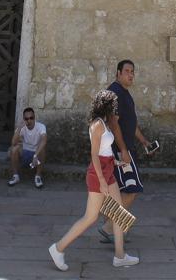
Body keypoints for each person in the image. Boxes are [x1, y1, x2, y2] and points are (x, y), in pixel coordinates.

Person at [48, 90, 139, 271]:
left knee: (119, 214)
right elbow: (94, 156)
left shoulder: (104, 124)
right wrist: (102, 181)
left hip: (109, 171)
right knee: (90, 218)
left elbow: (105, 152)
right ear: (107, 106)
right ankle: (58, 248)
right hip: (98, 175)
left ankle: (120, 256)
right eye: (113, 106)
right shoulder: (97, 125)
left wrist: (117, 162)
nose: (115, 109)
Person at [98, 59, 152, 244]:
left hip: (121, 148)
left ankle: (114, 229)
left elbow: (129, 123)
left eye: (133, 71)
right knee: (132, 189)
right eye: (127, 71)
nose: (131, 74)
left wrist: (143, 140)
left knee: (118, 191)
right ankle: (109, 228)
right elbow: (113, 123)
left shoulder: (124, 93)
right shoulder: (115, 93)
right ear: (118, 73)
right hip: (119, 150)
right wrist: (123, 150)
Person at [8, 106, 47, 188]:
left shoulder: (41, 127)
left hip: (36, 157)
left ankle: (38, 176)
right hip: (25, 154)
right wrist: (19, 128)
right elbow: (13, 143)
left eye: (31, 118)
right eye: (26, 119)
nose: (29, 120)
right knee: (14, 149)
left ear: (34, 117)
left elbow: (44, 140)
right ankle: (15, 176)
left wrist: (36, 155)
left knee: (42, 149)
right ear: (24, 119)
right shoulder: (22, 128)